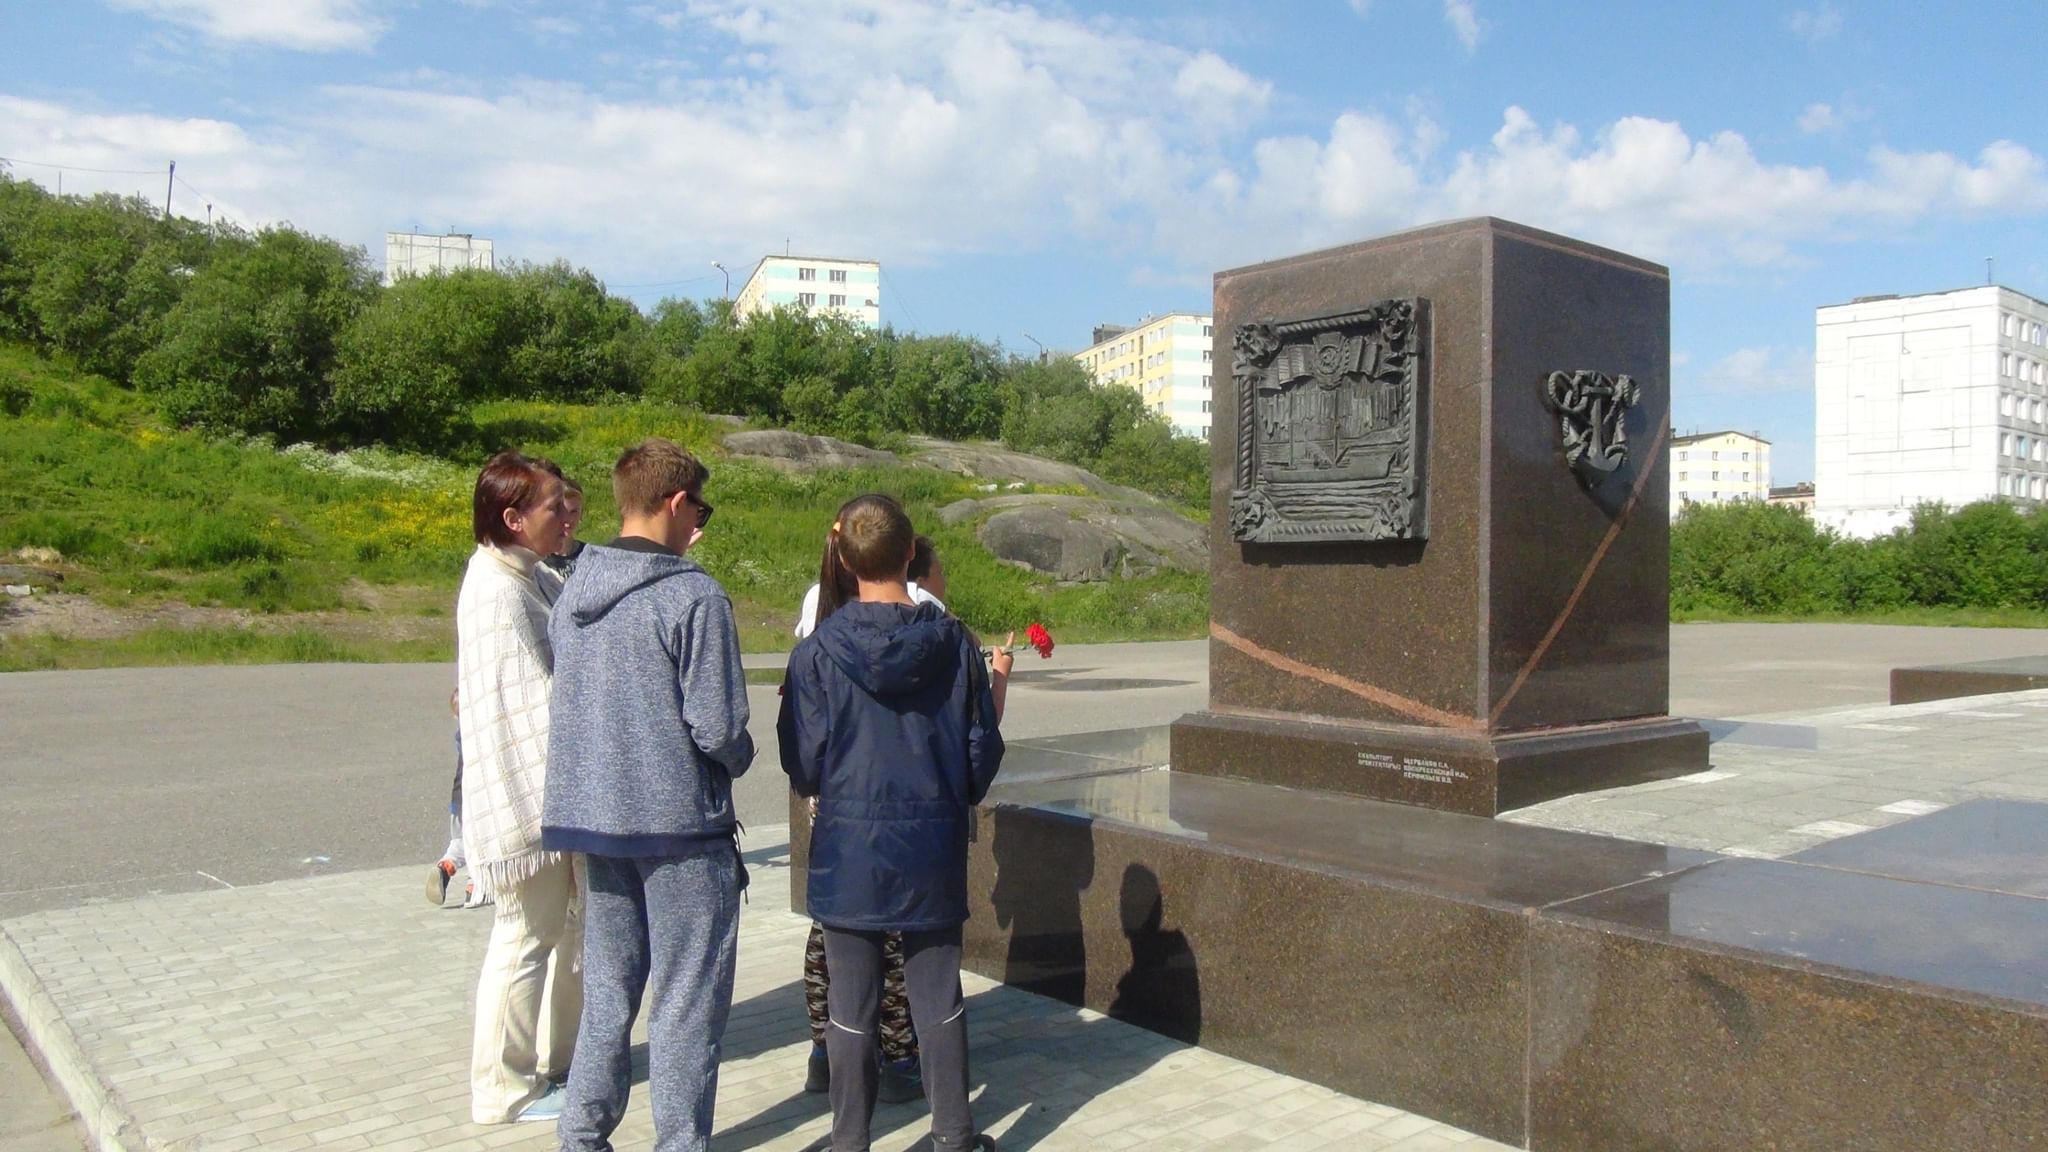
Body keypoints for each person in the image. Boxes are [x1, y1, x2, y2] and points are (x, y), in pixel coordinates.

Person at [543, 438, 753, 1152]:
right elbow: (719, 726)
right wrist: (740, 756)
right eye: (701, 504)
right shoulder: (693, 595)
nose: (701, 518)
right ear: (674, 503)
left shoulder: (572, 590)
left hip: (596, 824)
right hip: (680, 831)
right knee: (686, 1003)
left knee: (609, 993)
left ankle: (580, 1137)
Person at [778, 495, 1005, 1152]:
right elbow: (979, 751)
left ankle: (849, 1140)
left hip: (850, 845)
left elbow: (805, 762)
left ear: (843, 559)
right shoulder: (956, 646)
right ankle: (954, 1136)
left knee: (851, 1005)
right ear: (911, 553)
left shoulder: (816, 653)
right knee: (938, 994)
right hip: (931, 842)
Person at [455, 450, 582, 1125]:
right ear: (513, 517)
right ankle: (499, 1090)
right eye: (553, 506)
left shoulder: (525, 575)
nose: (565, 516)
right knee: (524, 938)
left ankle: (562, 1064)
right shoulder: (497, 589)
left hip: (541, 799)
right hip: (526, 805)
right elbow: (531, 705)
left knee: (557, 935)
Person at [794, 533, 945, 640]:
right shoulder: (921, 599)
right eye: (940, 573)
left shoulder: (817, 595)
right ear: (909, 551)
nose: (945, 581)